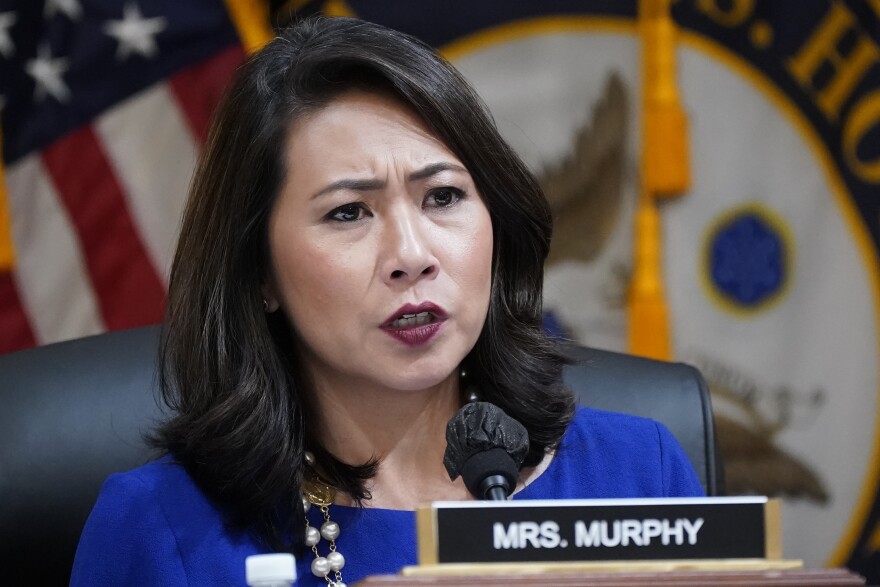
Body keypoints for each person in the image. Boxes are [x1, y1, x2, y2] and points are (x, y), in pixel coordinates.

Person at [70, 16, 703, 586]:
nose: (412, 254)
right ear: (259, 272)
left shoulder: (637, 475)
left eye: (443, 197)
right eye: (349, 212)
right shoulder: (159, 530)